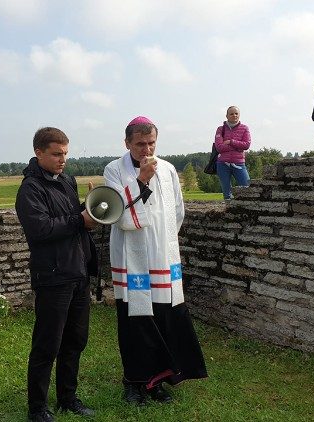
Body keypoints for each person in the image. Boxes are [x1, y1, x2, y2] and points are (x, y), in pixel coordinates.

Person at [104, 116, 208, 405]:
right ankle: (133, 383)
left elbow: (177, 210)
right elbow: (115, 212)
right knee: (134, 321)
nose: (146, 150)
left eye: (151, 143)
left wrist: (164, 243)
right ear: (127, 143)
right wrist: (141, 181)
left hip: (161, 255)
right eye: (139, 144)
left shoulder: (169, 169)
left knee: (164, 319)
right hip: (130, 255)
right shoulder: (114, 169)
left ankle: (157, 382)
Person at [15, 127, 98, 422]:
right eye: (56, 154)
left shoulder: (66, 180)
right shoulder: (30, 190)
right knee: (47, 344)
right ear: (39, 153)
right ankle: (37, 408)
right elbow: (41, 229)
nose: (63, 159)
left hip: (77, 271)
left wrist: (88, 209)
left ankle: (67, 398)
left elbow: (69, 215)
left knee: (76, 340)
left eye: (65, 153)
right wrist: (79, 219)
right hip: (52, 276)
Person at [214, 106, 251, 200]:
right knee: (227, 193)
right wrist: (238, 148)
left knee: (247, 188)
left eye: (236, 113)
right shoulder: (220, 129)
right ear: (226, 115)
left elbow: (246, 145)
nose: (234, 115)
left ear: (239, 115)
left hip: (239, 163)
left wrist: (231, 142)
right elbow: (219, 148)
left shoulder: (245, 128)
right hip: (222, 164)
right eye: (231, 113)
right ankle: (229, 211)